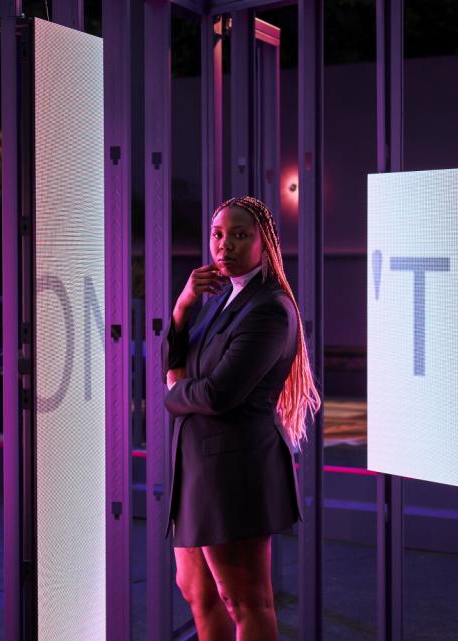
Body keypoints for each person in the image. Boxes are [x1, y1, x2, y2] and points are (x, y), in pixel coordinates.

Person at [162, 195, 321, 641]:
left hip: (235, 472)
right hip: (199, 469)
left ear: (264, 243)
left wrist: (174, 390)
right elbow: (178, 361)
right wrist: (182, 306)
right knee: (196, 591)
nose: (224, 245)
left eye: (239, 234)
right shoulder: (221, 297)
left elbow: (217, 394)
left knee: (246, 601)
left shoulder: (269, 308)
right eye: (218, 234)